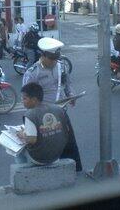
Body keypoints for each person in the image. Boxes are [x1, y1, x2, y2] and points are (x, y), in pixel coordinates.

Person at [22, 37, 82, 172]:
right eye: (52, 59)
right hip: (43, 117)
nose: (55, 62)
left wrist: (71, 95)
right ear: (43, 55)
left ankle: (76, 172)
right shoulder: (32, 73)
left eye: (56, 58)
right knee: (48, 146)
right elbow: (27, 98)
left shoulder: (61, 67)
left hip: (61, 112)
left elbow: (67, 85)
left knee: (69, 144)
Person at [16, 82, 69, 165]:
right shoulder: (57, 109)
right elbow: (66, 131)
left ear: (33, 100)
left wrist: (22, 135)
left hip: (41, 158)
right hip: (58, 153)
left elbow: (32, 140)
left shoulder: (30, 114)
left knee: (17, 152)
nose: (22, 101)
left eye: (24, 98)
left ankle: (24, 172)